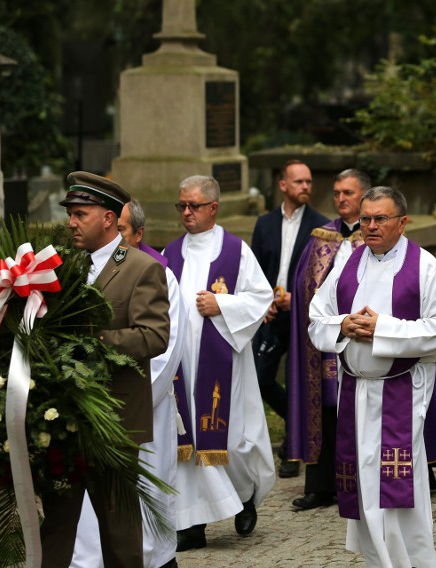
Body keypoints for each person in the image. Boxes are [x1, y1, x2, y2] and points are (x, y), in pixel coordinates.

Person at [308, 186, 436, 568]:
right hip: (355, 392)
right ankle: (379, 562)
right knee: (363, 484)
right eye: (365, 219)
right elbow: (316, 317)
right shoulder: (348, 263)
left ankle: (415, 563)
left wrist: (382, 330)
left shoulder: (424, 266)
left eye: (380, 219)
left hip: (401, 394)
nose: (370, 227)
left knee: (397, 486)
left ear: (402, 222)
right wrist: (344, 325)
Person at [43, 172, 170, 568]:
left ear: (109, 219)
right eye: (71, 214)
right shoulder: (63, 266)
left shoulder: (140, 268)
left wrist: (94, 341)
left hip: (113, 418)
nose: (71, 223)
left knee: (119, 533)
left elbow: (154, 337)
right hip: (64, 417)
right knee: (57, 526)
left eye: (80, 214)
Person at [72, 199, 187, 568]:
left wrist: (117, 401)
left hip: (136, 407)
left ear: (136, 234)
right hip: (84, 409)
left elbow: (164, 351)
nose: (117, 238)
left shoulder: (155, 273)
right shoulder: (79, 268)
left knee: (139, 497)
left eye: (122, 230)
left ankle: (155, 559)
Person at [164, 175, 276, 551]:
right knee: (185, 442)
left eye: (193, 206)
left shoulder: (236, 251)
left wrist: (222, 305)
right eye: (181, 205)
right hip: (180, 365)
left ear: (213, 207)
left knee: (231, 440)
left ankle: (244, 495)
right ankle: (192, 524)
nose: (186, 212)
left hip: (224, 362)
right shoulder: (170, 253)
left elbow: (261, 298)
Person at [287, 168, 369, 509]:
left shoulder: (379, 235)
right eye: (336, 193)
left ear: (364, 195)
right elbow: (305, 286)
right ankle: (321, 486)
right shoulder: (322, 237)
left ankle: (370, 481)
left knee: (365, 407)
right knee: (326, 406)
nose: (340, 199)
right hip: (327, 343)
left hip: (365, 339)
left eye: (348, 193)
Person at [251, 159, 329, 478]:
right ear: (283, 185)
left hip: (303, 316)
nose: (306, 187)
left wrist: (296, 299)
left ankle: (291, 450)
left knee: (301, 383)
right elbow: (254, 271)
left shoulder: (323, 226)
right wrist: (262, 301)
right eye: (299, 182)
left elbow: (323, 279)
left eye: (309, 182)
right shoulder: (264, 224)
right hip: (270, 315)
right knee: (261, 378)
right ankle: (292, 422)